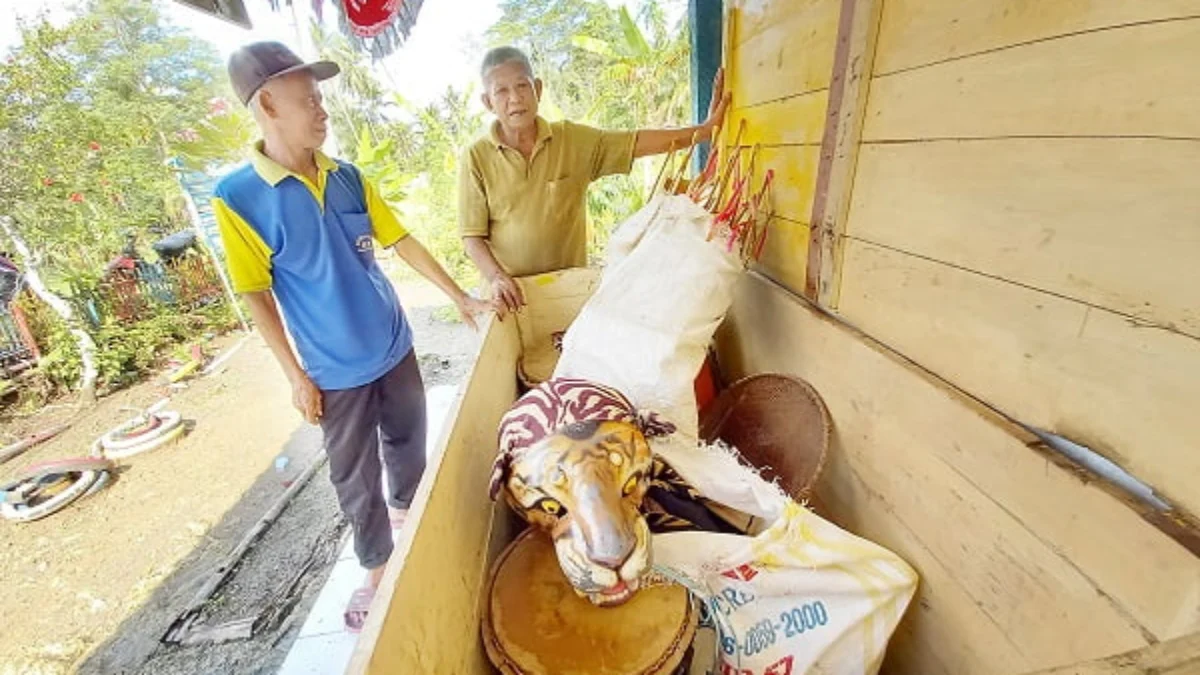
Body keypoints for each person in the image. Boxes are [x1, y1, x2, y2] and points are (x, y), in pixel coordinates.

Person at [211, 41, 494, 632]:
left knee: (408, 440)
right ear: (267, 103)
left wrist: (460, 297)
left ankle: (409, 518)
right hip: (332, 368)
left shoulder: (348, 178)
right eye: (308, 100)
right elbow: (255, 293)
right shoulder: (237, 198)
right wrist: (294, 375)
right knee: (353, 473)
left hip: (393, 344)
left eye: (320, 99)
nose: (322, 111)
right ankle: (375, 567)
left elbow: (401, 241)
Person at [458, 45, 729, 313]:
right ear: (488, 102)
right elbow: (472, 237)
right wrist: (496, 278)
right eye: (501, 91)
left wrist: (703, 131)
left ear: (537, 89)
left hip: (569, 291)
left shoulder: (572, 141)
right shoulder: (476, 157)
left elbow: (634, 142)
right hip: (510, 296)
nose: (515, 98)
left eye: (522, 86)